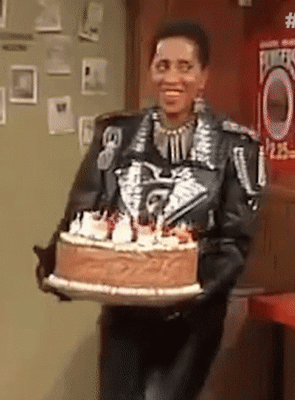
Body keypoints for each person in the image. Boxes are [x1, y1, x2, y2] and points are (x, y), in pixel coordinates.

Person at [34, 20, 266, 400]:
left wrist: (183, 287)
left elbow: (235, 241)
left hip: (193, 320)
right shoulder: (115, 136)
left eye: (185, 67)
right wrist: (60, 263)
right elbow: (81, 215)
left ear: (203, 77)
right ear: (150, 72)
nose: (172, 78)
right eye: (162, 66)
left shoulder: (236, 147)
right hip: (125, 314)